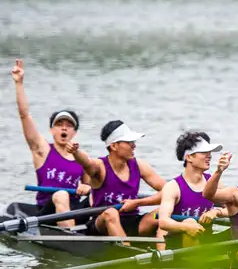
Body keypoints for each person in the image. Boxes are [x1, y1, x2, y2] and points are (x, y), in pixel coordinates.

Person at [11, 59, 90, 227]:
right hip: (48, 212)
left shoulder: (82, 157)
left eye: (69, 125)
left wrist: (87, 187)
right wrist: (19, 83)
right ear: (52, 130)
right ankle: (71, 236)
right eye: (59, 124)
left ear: (74, 132)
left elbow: (92, 187)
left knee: (100, 197)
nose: (64, 128)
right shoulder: (42, 150)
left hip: (75, 210)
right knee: (61, 195)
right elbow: (24, 115)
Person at [68, 120, 165, 239]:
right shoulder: (100, 166)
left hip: (133, 221)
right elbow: (87, 163)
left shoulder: (140, 165)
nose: (134, 146)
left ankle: (163, 245)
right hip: (102, 224)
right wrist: (75, 152)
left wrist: (138, 203)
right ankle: (126, 248)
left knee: (162, 212)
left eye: (133, 142)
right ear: (114, 146)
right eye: (129, 142)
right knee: (111, 212)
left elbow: (170, 191)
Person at [157, 131, 227, 248]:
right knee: (190, 222)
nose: (209, 156)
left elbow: (234, 209)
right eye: (204, 152)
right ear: (189, 157)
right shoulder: (173, 187)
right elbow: (163, 222)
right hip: (178, 245)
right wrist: (187, 227)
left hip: (205, 241)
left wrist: (216, 212)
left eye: (209, 152)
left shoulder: (214, 182)